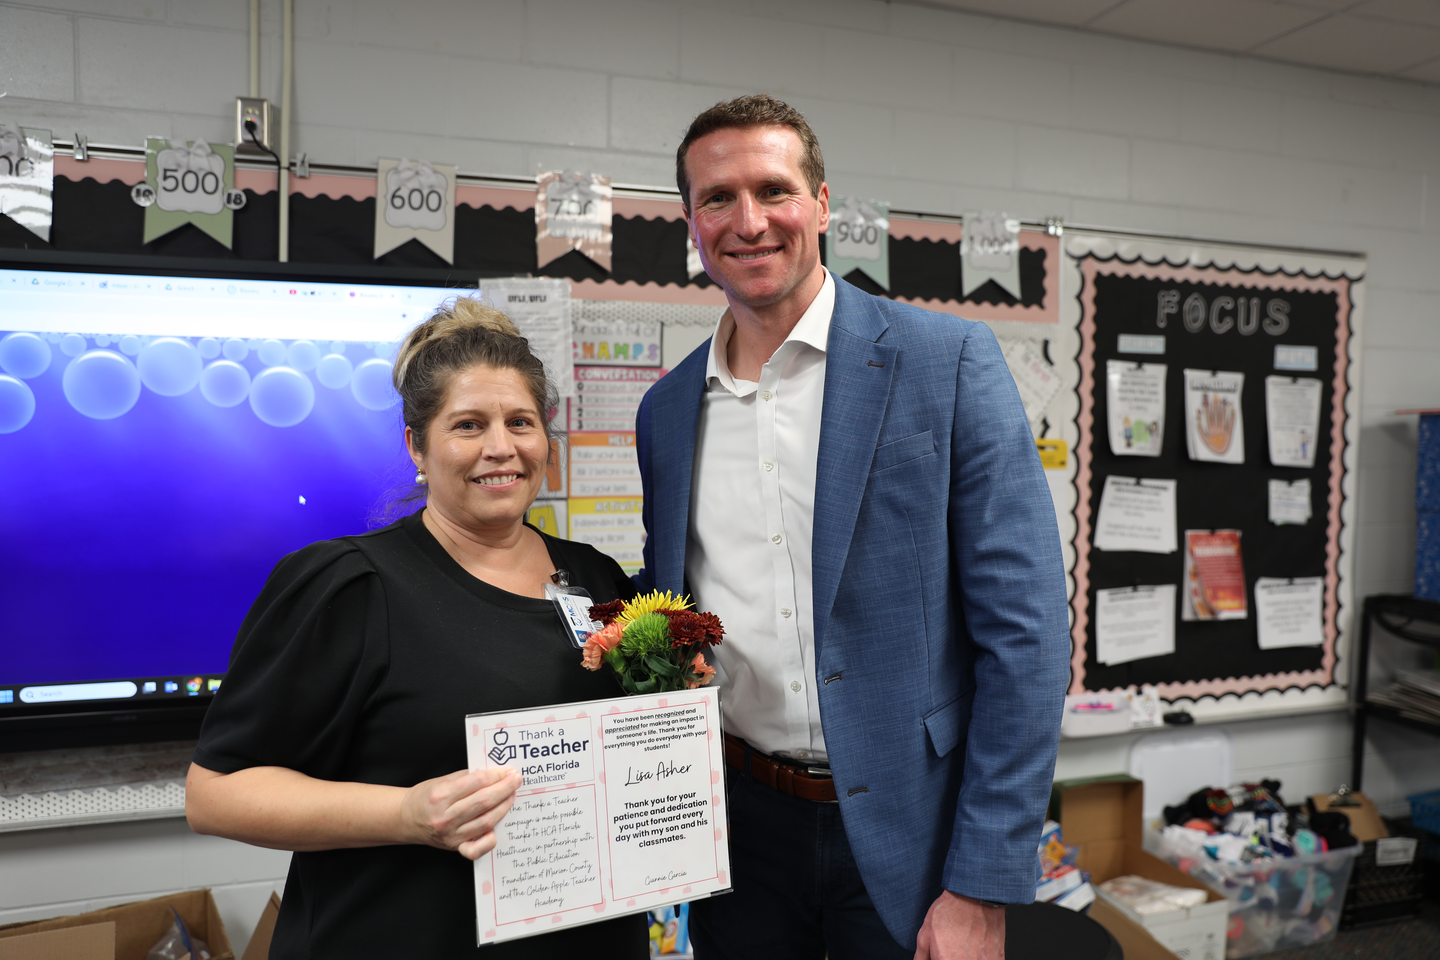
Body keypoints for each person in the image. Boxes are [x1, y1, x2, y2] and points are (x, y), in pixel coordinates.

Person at [634, 95, 1070, 959]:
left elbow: (1027, 636)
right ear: (691, 223)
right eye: (718, 198)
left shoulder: (946, 362)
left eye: (774, 189)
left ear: (823, 205)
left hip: (914, 832)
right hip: (741, 831)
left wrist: (981, 882)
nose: (749, 220)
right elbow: (677, 617)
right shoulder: (666, 410)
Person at [186, 299, 648, 959]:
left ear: (546, 439)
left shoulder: (599, 580)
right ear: (418, 447)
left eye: (520, 422)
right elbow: (215, 795)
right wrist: (406, 814)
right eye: (468, 425)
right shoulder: (349, 586)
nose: (500, 447)